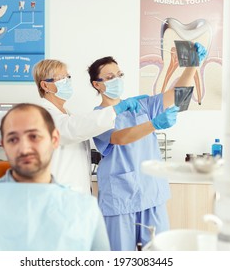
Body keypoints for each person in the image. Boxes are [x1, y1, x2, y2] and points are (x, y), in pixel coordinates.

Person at [0, 103, 110, 251]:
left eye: (34, 136)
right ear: (3, 145)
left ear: (55, 140)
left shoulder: (83, 210)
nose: (24, 148)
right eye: (13, 139)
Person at [87, 43, 207, 251]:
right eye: (109, 77)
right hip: (120, 199)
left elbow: (179, 96)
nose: (117, 79)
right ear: (97, 84)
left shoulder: (141, 105)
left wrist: (193, 65)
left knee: (158, 254)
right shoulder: (98, 117)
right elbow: (120, 138)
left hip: (152, 193)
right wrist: (154, 124)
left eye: (119, 74)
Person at [32, 59, 146, 194]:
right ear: (45, 86)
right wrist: (115, 109)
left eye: (68, 77)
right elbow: (70, 129)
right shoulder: (42, 115)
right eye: (62, 78)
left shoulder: (68, 115)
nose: (67, 81)